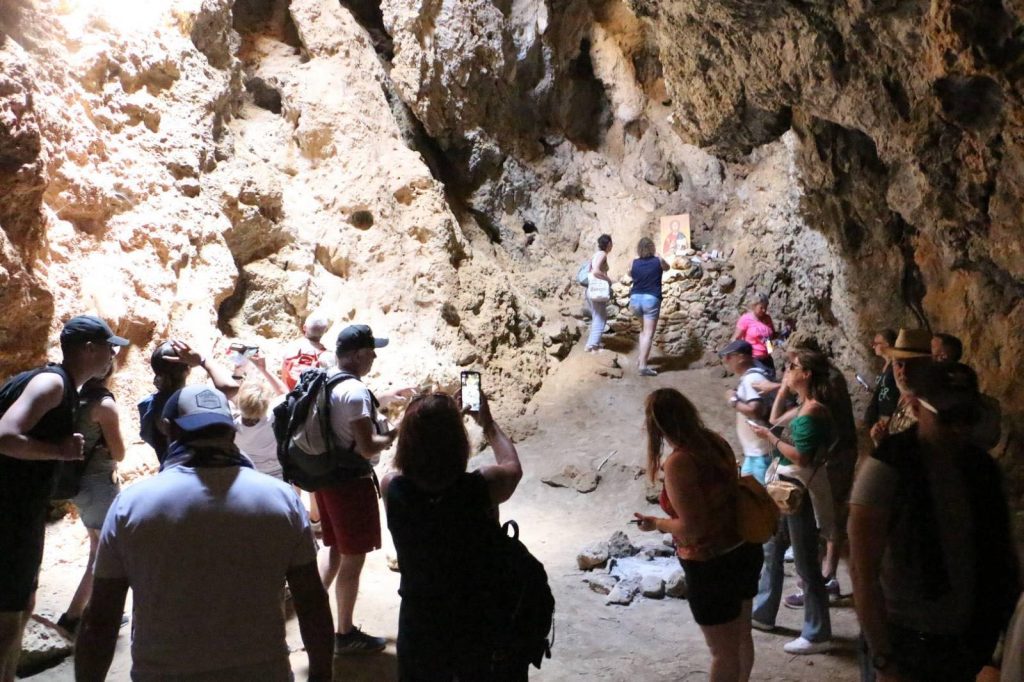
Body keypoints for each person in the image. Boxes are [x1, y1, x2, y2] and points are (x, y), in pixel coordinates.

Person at [75, 385, 334, 682]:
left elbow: (101, 619)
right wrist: (322, 675)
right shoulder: (281, 499)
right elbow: (312, 601)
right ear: (231, 431)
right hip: (262, 672)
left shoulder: (132, 506)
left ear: (168, 428)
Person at [849, 362, 1020, 682]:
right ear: (915, 408)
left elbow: (1000, 558)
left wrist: (998, 648)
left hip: (968, 642)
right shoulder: (886, 469)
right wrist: (883, 659)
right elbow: (862, 572)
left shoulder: (981, 469)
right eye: (947, 417)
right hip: (907, 643)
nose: (960, 428)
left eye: (968, 416)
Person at [0, 315, 127, 681]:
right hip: (9, 515)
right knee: (8, 613)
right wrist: (59, 449)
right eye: (108, 347)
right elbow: (6, 435)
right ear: (89, 348)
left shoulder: (60, 385)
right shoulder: (52, 384)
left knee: (19, 605)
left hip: (20, 511)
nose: (112, 355)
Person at [381, 391, 525, 680]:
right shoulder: (481, 487)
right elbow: (513, 468)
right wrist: (487, 423)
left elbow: (406, 469)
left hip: (419, 617)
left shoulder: (391, 487)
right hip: (474, 614)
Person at [633, 389, 763, 682]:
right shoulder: (715, 442)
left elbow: (693, 527)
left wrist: (657, 523)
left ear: (657, 426)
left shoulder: (679, 463)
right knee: (742, 636)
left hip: (711, 562)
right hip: (743, 548)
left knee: (722, 652)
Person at [307, 324, 411, 654]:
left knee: (335, 549)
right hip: (349, 485)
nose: (375, 357)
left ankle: (312, 616)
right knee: (352, 561)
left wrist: (381, 399)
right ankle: (344, 634)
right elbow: (367, 448)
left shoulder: (327, 376)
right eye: (371, 352)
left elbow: (345, 409)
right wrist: (396, 432)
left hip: (325, 478)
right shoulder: (353, 391)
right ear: (356, 355)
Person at [747, 348, 834, 655]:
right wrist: (783, 387)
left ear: (807, 374)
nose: (787, 369)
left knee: (805, 561)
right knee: (772, 548)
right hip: (785, 489)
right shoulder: (803, 407)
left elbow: (803, 456)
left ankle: (817, 631)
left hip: (798, 492)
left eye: (793, 367)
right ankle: (763, 613)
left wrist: (771, 440)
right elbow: (773, 418)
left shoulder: (813, 411)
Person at [57, 370, 127, 637]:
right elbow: (119, 452)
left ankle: (78, 614)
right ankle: (78, 617)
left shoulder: (77, 397)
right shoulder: (104, 405)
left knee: (98, 549)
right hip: (100, 486)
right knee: (107, 553)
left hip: (79, 484)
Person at [138, 339, 239, 465]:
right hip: (200, 475)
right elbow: (230, 388)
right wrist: (202, 360)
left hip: (170, 472)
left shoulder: (147, 406)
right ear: (188, 369)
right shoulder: (191, 403)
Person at [719, 340, 772, 484]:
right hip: (754, 452)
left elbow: (755, 410)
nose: (726, 361)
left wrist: (733, 400)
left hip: (760, 453)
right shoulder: (749, 378)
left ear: (741, 357)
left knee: (762, 497)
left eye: (729, 357)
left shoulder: (751, 379)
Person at [871, 329, 932, 445]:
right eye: (899, 364)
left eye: (913, 365)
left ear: (927, 366)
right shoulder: (904, 400)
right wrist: (882, 440)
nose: (903, 371)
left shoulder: (930, 411)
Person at [233, 355, 288, 480]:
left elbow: (230, 394)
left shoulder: (231, 425)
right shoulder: (273, 417)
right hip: (278, 475)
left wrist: (237, 372)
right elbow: (284, 393)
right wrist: (263, 369)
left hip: (249, 476)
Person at [629, 237, 670, 376]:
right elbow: (667, 267)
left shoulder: (633, 262)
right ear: (652, 247)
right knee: (648, 333)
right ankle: (643, 366)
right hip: (650, 299)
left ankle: (641, 358)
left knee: (643, 331)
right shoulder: (658, 260)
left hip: (635, 299)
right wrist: (660, 258)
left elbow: (629, 273)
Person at [863, 329, 899, 438]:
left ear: (886, 344)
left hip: (890, 419)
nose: (873, 346)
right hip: (882, 418)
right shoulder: (886, 366)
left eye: (876, 343)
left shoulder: (896, 366)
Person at [281, 314, 332, 390]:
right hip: (310, 399)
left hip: (287, 397)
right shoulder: (327, 357)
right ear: (325, 331)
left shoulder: (290, 348)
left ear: (304, 327)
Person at [733, 293, 777, 374]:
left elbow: (771, 335)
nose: (764, 310)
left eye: (766, 308)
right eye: (761, 307)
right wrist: (739, 357)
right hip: (754, 359)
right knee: (761, 382)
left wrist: (784, 333)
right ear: (754, 305)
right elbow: (736, 338)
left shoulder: (767, 318)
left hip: (767, 358)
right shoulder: (746, 319)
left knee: (771, 379)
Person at [585, 234, 613, 353]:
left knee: (597, 317)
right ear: (608, 244)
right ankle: (593, 347)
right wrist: (608, 280)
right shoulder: (602, 254)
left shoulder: (596, 254)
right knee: (601, 318)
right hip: (597, 291)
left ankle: (590, 344)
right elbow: (596, 271)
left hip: (591, 290)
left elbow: (590, 270)